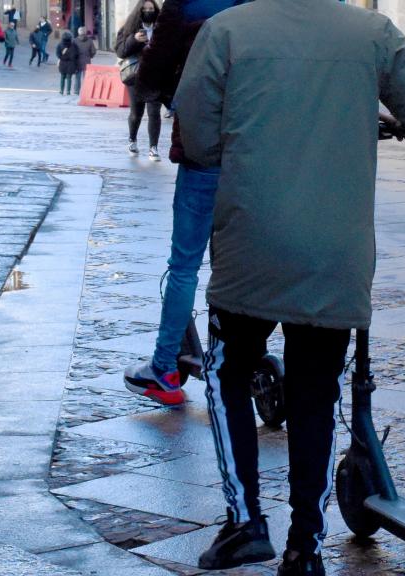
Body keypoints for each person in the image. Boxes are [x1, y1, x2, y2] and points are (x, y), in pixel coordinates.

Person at [173, 0, 405, 572]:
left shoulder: (226, 31)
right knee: (316, 394)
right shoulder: (372, 32)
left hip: (252, 243)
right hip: (334, 254)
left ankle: (245, 520)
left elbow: (198, 139)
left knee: (228, 373)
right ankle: (307, 546)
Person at [121, 0, 245, 404]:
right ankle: (243, 358)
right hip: (257, 151)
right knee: (243, 262)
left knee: (185, 264)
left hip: (203, 148)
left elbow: (149, 78)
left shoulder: (183, 4)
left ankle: (164, 369)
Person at [114, 0, 162, 160]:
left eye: (151, 8)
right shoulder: (130, 28)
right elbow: (120, 51)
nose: (148, 11)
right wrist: (134, 39)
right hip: (136, 76)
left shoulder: (161, 27)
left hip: (155, 74)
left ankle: (153, 148)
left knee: (154, 112)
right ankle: (132, 140)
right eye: (145, 9)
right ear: (139, 11)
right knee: (137, 112)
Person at [73, 26, 96, 94]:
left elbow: (72, 51)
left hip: (77, 61)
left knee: (77, 77)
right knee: (86, 77)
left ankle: (77, 91)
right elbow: (93, 51)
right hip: (87, 61)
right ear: (85, 32)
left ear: (78, 32)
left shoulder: (75, 40)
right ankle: (86, 91)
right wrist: (90, 56)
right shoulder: (89, 41)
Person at [56, 31, 79, 95]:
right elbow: (76, 54)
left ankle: (61, 90)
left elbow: (58, 54)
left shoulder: (60, 44)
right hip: (71, 64)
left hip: (62, 63)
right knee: (69, 78)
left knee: (62, 77)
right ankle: (68, 91)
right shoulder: (74, 45)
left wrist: (62, 57)